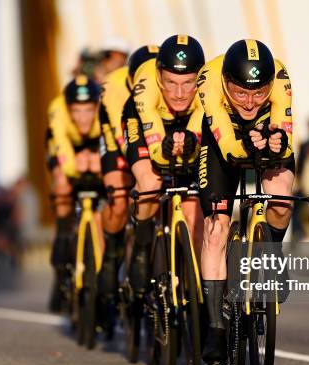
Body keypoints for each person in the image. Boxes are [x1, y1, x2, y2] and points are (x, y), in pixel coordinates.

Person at [197, 39, 295, 365]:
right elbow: (227, 145)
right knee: (216, 227)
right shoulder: (209, 77)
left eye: (259, 93)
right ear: (226, 82)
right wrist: (248, 147)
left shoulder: (280, 76)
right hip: (222, 139)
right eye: (240, 93)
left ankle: (272, 254)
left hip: (265, 134)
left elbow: (284, 133)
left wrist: (274, 144)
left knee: (281, 199)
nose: (251, 102)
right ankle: (215, 327)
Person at [124, 34, 205, 299]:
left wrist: (190, 145)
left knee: (194, 215)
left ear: (199, 79)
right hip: (148, 121)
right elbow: (157, 154)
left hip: (188, 124)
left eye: (187, 83)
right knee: (150, 182)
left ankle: (196, 284)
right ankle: (142, 244)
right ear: (159, 78)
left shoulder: (208, 90)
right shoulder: (146, 88)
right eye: (171, 83)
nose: (179, 93)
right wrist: (166, 148)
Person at [97, 44, 160, 325]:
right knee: (120, 201)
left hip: (155, 135)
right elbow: (126, 144)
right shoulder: (114, 89)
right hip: (118, 140)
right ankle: (112, 256)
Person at [45, 75, 102, 312]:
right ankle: (63, 233)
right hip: (67, 146)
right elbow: (63, 155)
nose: (83, 117)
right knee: (62, 181)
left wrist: (99, 163)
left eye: (88, 110)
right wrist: (74, 166)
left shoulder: (106, 111)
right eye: (76, 111)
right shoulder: (57, 111)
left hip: (96, 144)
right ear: (68, 109)